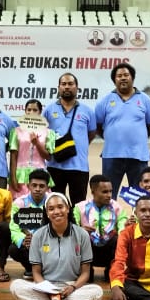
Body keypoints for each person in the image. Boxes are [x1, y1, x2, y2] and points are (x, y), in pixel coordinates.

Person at [10, 193, 103, 300]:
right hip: (46, 288)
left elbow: (85, 273)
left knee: (97, 291)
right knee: (16, 286)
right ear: (47, 213)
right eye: (51, 209)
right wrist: (48, 291)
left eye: (60, 207)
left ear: (68, 208)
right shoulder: (38, 236)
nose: (57, 212)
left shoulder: (82, 235)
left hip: (71, 288)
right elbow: (36, 273)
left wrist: (72, 287)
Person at [95, 63, 150, 197]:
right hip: (111, 155)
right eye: (119, 76)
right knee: (108, 196)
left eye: (126, 75)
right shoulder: (104, 101)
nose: (123, 78)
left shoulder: (145, 100)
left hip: (138, 156)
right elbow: (98, 126)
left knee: (139, 197)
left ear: (132, 78)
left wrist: (137, 137)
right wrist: (111, 137)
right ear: (114, 80)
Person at [46, 73, 97, 203]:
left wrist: (78, 146)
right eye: (63, 84)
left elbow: (91, 134)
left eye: (70, 84)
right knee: (55, 204)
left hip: (79, 166)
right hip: (54, 166)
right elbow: (43, 134)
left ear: (77, 87)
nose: (67, 87)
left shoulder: (87, 111)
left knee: (78, 205)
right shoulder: (48, 110)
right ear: (58, 87)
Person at [75, 175, 129, 281]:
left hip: (109, 249)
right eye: (105, 192)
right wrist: (80, 231)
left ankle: (111, 270)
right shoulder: (79, 207)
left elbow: (122, 227)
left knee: (118, 239)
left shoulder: (117, 208)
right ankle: (86, 271)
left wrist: (120, 232)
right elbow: (72, 229)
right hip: (88, 250)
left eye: (110, 191)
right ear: (93, 192)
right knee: (81, 236)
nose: (109, 195)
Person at [7, 169, 52, 276]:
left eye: (41, 186)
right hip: (27, 243)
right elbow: (14, 228)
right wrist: (23, 240)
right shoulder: (19, 203)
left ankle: (49, 269)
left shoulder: (53, 202)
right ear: (28, 186)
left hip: (48, 243)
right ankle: (31, 268)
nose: (37, 189)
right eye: (34, 185)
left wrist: (38, 239)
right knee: (13, 249)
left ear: (47, 188)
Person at [8, 99, 55, 198]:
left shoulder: (48, 132)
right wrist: (13, 178)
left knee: (40, 203)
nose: (31, 112)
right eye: (29, 110)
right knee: (19, 204)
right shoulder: (16, 131)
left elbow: (48, 157)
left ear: (40, 112)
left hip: (40, 174)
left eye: (35, 110)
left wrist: (37, 143)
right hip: (20, 174)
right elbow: (13, 156)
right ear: (25, 111)